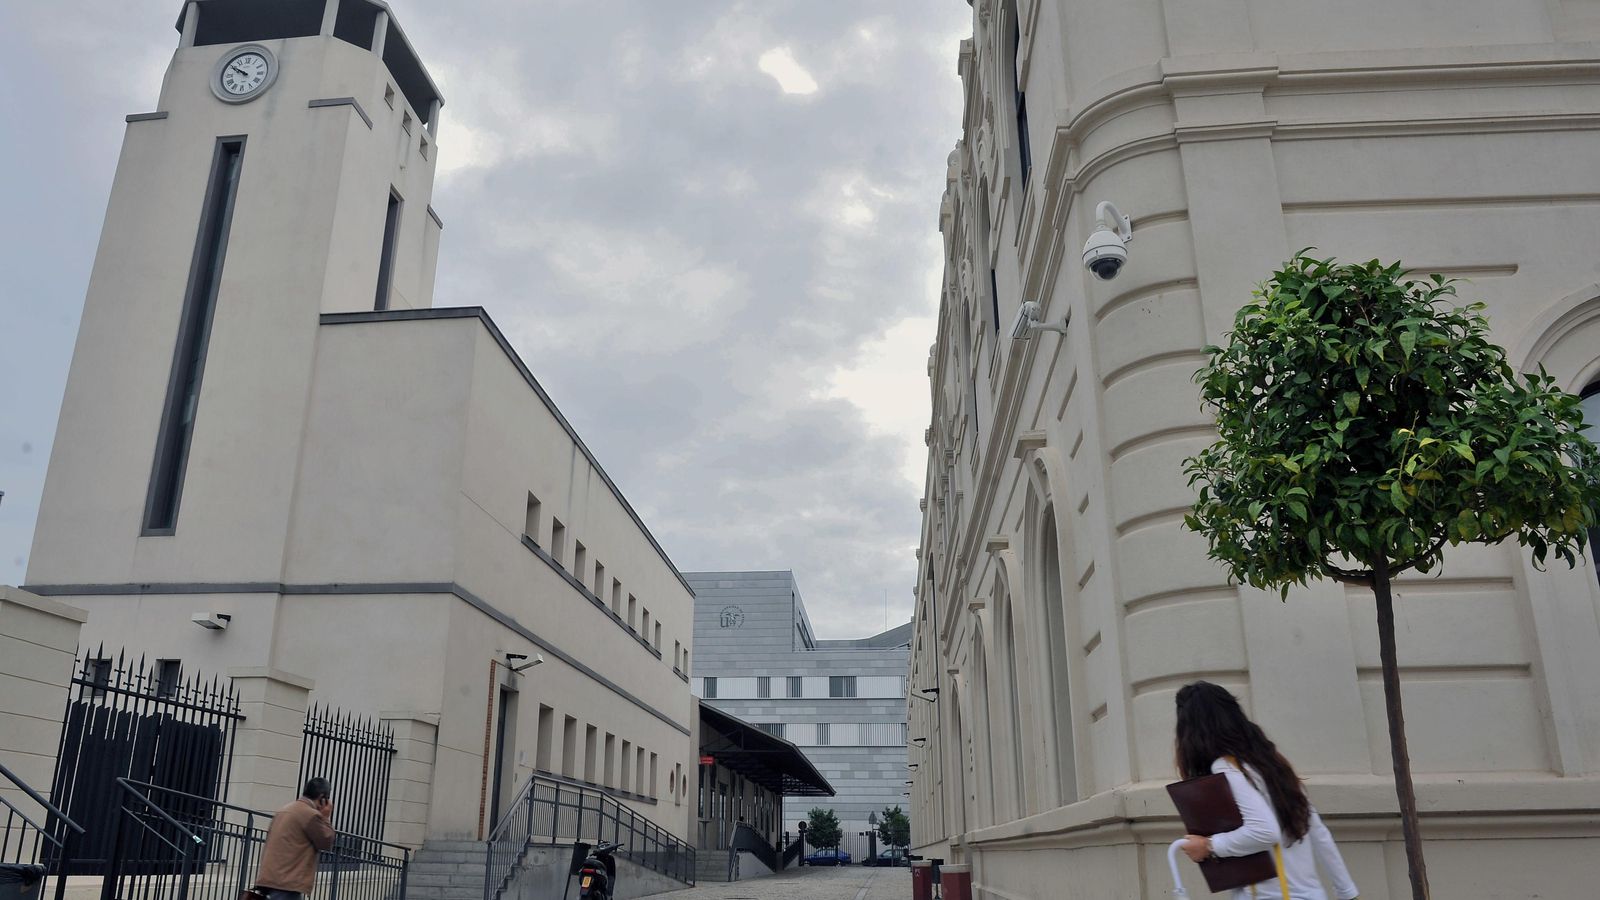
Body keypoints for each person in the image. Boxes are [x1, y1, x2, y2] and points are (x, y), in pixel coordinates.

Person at [1174, 682, 1359, 900]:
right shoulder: (1271, 766)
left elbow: (1264, 831)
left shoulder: (1225, 767)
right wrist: (1347, 892)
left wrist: (1209, 846)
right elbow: (1318, 833)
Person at [254, 777, 336, 900]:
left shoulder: (284, 810)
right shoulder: (311, 815)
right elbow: (326, 841)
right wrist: (325, 817)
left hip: (269, 879)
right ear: (322, 798)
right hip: (288, 883)